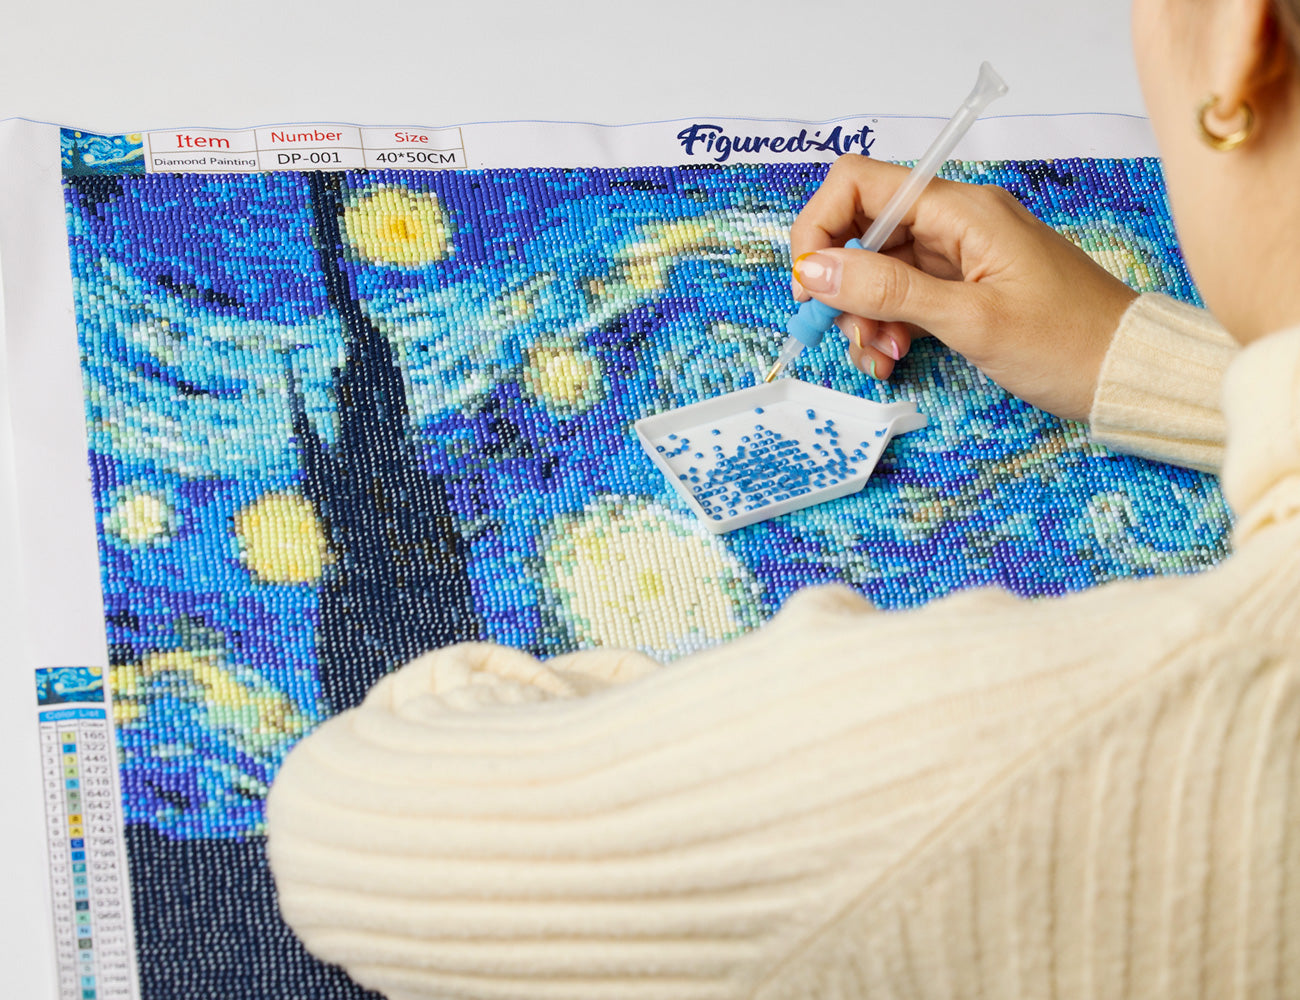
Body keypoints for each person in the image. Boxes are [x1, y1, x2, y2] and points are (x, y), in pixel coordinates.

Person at [265, 0, 1300, 994]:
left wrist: (715, 715)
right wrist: (1131, 356)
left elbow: (348, 828)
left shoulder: (989, 765)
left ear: (1239, 42)